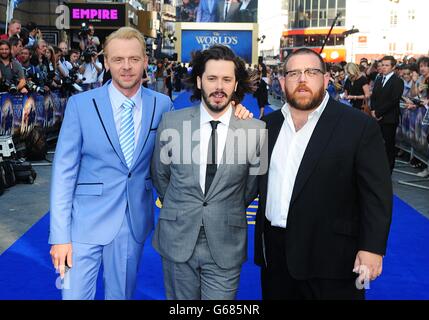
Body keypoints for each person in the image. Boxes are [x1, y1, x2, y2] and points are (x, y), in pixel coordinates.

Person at [254, 48, 393, 300]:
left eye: (311, 72)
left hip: (334, 260)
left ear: (326, 80)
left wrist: (372, 248)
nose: (302, 79)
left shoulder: (359, 127)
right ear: (282, 82)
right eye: (294, 73)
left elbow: (377, 195)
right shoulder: (267, 126)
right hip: (276, 258)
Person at [48, 27, 174, 300]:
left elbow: (181, 152)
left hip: (133, 222)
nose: (126, 67)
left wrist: (236, 114)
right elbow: (63, 173)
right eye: (118, 59)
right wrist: (59, 236)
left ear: (145, 61)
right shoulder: (80, 105)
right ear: (106, 62)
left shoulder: (163, 105)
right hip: (82, 223)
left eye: (133, 59)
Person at [151, 45, 265, 300]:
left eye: (227, 79)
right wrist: (183, 204)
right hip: (178, 237)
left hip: (226, 240)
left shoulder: (256, 131)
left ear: (236, 84)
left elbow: (250, 188)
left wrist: (221, 206)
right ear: (199, 81)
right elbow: (161, 177)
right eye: (212, 78)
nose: (219, 87)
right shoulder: (172, 122)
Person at [370, 56, 404, 173]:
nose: (383, 68)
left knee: (389, 145)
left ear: (393, 67)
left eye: (386, 65)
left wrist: (379, 112)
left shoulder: (398, 81)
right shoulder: (379, 79)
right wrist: (373, 110)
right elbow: (374, 97)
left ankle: (388, 170)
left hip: (389, 118)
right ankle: (378, 167)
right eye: (382, 65)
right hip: (376, 117)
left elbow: (393, 100)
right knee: (377, 144)